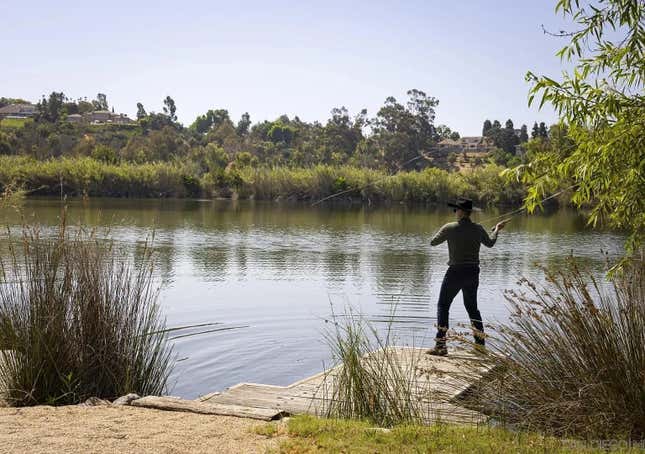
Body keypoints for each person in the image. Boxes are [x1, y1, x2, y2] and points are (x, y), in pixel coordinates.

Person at [427, 197, 507, 356]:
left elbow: (433, 242)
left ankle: (440, 346)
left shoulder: (449, 227)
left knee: (443, 306)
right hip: (472, 272)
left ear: (461, 212)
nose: (454, 212)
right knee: (472, 308)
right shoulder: (478, 228)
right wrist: (497, 229)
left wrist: (444, 230)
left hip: (455, 272)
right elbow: (490, 243)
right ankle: (480, 347)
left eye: (456, 209)